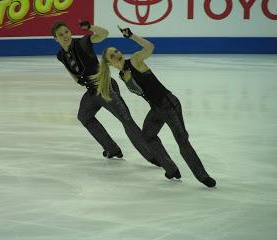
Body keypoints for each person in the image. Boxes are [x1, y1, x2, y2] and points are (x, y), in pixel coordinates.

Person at [51, 21, 181, 180]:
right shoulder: (60, 55)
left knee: (127, 122)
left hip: (106, 88)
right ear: (55, 39)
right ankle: (112, 149)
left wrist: (90, 28)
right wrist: (78, 80)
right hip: (91, 92)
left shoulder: (83, 43)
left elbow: (104, 34)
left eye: (66, 32)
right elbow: (70, 69)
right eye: (60, 35)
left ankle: (157, 158)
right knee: (84, 116)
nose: (65, 36)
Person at [94, 26, 216, 187]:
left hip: (169, 104)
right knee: (148, 137)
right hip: (156, 109)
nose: (117, 54)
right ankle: (171, 169)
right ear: (109, 62)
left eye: (116, 51)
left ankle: (203, 176)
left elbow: (150, 47)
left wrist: (131, 36)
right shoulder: (122, 74)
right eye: (112, 54)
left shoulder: (136, 60)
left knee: (182, 140)